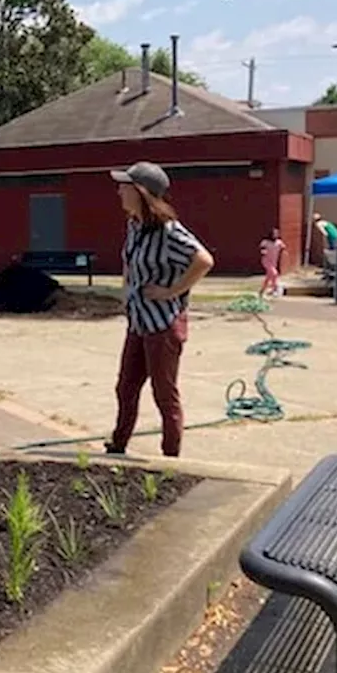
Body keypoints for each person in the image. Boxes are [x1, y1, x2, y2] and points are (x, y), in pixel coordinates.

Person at [104, 162, 215, 458]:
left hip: (163, 324)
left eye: (124, 186)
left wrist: (172, 291)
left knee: (164, 394)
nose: (119, 191)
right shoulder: (134, 225)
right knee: (126, 386)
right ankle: (118, 443)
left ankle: (171, 456)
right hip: (138, 322)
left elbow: (204, 260)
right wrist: (127, 290)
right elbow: (129, 260)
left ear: (141, 192)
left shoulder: (167, 232)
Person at [258, 227, 286, 298]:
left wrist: (284, 251)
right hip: (266, 261)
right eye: (274, 234)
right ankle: (275, 289)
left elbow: (283, 247)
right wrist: (263, 251)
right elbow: (261, 249)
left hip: (274, 262)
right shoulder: (266, 242)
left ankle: (262, 291)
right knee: (275, 273)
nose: (276, 235)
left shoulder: (278, 242)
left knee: (269, 277)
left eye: (277, 234)